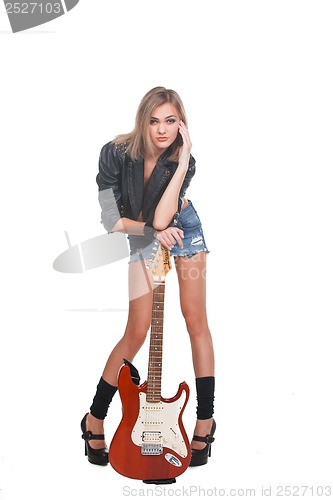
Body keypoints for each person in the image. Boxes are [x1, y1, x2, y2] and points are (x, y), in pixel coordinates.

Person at [81, 86, 215, 468]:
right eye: (155, 121)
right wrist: (152, 234)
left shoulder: (184, 161)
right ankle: (95, 417)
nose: (162, 130)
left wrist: (185, 155)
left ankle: (204, 421)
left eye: (171, 121)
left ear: (181, 125)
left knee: (195, 320)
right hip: (144, 233)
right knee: (137, 329)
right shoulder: (115, 154)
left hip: (183, 229)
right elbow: (114, 221)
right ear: (143, 121)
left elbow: (166, 217)